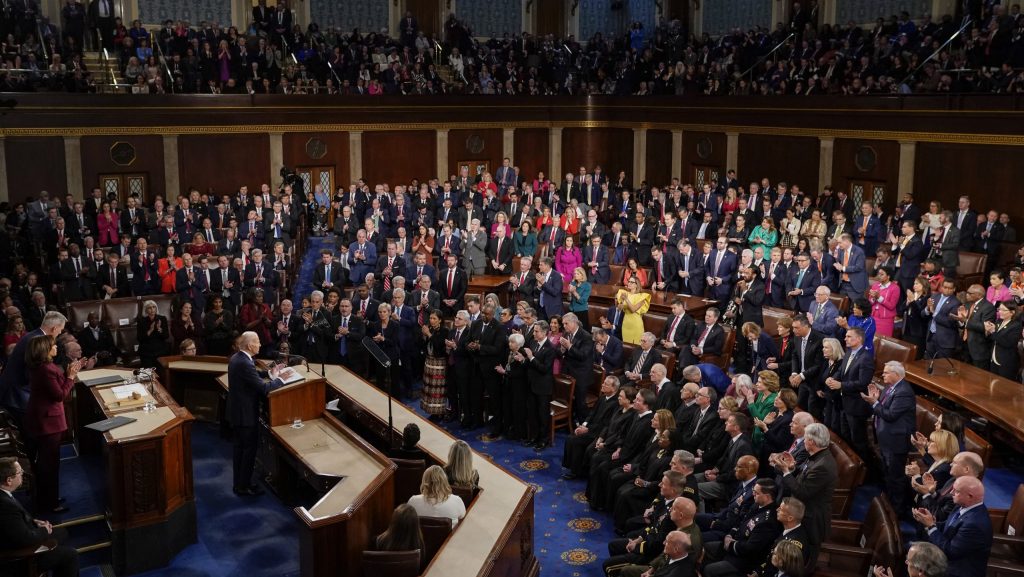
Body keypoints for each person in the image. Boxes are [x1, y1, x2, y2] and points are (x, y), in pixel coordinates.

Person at [25, 335, 80, 514]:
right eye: (53, 345)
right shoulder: (46, 369)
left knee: (48, 463)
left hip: (43, 419)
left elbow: (57, 386)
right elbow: (59, 395)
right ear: (45, 350)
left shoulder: (41, 367)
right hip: (48, 422)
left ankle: (49, 498)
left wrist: (68, 373)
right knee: (49, 464)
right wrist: (71, 377)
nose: (56, 347)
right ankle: (49, 504)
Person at [227, 331, 286, 496]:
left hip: (238, 412)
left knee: (239, 450)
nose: (260, 344)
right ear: (249, 345)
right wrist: (281, 380)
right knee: (248, 452)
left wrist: (269, 373)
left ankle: (239, 483)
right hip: (246, 415)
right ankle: (243, 486)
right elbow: (264, 389)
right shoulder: (245, 362)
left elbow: (252, 376)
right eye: (258, 341)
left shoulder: (239, 358)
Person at [0, 457, 80, 577]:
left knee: (62, 533)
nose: (23, 474)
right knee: (70, 555)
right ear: (9, 480)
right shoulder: (5, 505)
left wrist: (34, 522)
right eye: (20, 472)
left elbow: (14, 522)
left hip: (19, 537)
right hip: (20, 558)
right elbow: (24, 539)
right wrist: (44, 530)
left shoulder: (4, 495)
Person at [862, 361, 917, 516]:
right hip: (887, 440)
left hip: (896, 442)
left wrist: (874, 403)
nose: (883, 375)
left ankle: (897, 512)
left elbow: (891, 415)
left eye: (886, 373)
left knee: (896, 478)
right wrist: (878, 399)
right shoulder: (891, 387)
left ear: (896, 374)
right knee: (888, 475)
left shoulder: (904, 392)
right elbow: (885, 408)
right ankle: (890, 505)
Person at [776, 423, 837, 556]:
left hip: (810, 519)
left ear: (812, 441)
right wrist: (792, 468)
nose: (803, 441)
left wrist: (786, 472)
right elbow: (804, 476)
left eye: (805, 438)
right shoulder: (818, 456)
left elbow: (802, 492)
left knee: (802, 557)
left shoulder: (823, 465)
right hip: (804, 513)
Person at [912, 475, 992, 577]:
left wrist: (931, 526)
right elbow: (948, 526)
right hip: (948, 559)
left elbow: (950, 552)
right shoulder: (962, 506)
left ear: (970, 496)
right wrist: (931, 521)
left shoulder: (975, 524)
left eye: (956, 491)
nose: (951, 493)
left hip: (958, 571)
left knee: (914, 564)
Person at [420, 309, 448, 419]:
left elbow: (438, 345)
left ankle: (439, 412)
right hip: (429, 362)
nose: (431, 320)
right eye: (430, 318)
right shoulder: (430, 328)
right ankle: (431, 410)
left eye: (434, 318)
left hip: (439, 364)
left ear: (440, 320)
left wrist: (428, 334)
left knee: (437, 389)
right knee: (429, 388)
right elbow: (423, 344)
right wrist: (423, 335)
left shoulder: (444, 331)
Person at [985, 300, 1022, 379]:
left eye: (1003, 310)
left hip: (1006, 361)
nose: (999, 312)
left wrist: (993, 332)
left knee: (1004, 387)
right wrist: (988, 331)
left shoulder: (1016, 325)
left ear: (1012, 312)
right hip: (994, 358)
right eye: (999, 309)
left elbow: (1008, 343)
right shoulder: (999, 321)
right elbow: (993, 338)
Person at [616, 277, 651, 345]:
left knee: (637, 346)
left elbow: (633, 309)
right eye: (629, 281)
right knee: (626, 345)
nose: (629, 283)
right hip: (626, 323)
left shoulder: (642, 296)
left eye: (632, 282)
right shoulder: (625, 293)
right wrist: (621, 303)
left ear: (637, 284)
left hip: (636, 324)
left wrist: (626, 299)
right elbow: (619, 308)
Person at [136, 299, 169, 368]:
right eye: (149, 308)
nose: (152, 309)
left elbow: (166, 336)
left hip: (160, 350)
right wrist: (150, 330)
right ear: (145, 310)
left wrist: (160, 330)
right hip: (146, 352)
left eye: (154, 307)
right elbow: (139, 338)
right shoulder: (141, 321)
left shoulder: (162, 319)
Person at [869, 266, 899, 337]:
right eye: (879, 274)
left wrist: (879, 298)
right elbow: (869, 302)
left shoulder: (895, 288)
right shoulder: (875, 285)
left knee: (882, 342)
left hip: (886, 320)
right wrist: (873, 298)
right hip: (872, 317)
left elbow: (891, 306)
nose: (879, 276)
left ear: (888, 276)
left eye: (882, 274)